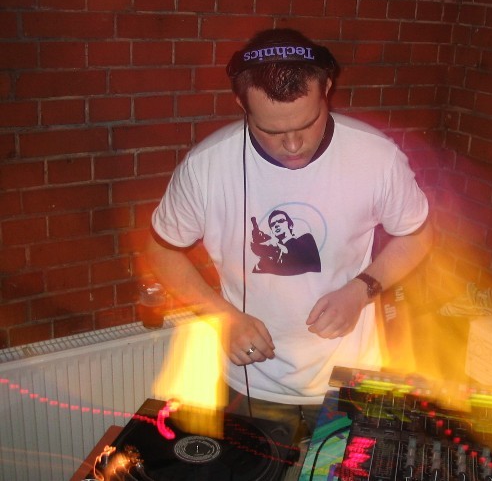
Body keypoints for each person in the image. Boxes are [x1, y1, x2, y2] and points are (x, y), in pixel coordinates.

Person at [145, 28, 432, 431]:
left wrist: (361, 290)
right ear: (242, 105)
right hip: (249, 385)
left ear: (326, 89)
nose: (294, 145)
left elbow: (417, 235)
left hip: (350, 382)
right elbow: (160, 250)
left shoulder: (376, 157)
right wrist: (222, 316)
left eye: (308, 123)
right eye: (272, 131)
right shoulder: (206, 167)